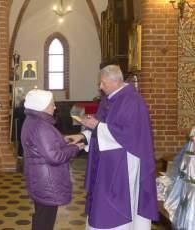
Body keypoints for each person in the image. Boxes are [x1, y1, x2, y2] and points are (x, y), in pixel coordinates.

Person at [67, 65, 159, 229]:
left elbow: (130, 134)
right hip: (106, 162)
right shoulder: (107, 99)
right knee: (101, 199)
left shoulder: (133, 101)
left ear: (116, 81)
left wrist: (97, 125)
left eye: (103, 83)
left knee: (119, 202)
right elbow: (101, 125)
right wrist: (83, 136)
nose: (100, 87)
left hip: (124, 161)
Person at [21, 89, 84, 230]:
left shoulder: (33, 120)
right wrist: (75, 148)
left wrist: (63, 140)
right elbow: (55, 156)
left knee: (42, 216)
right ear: (41, 106)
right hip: (47, 181)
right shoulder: (41, 126)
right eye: (52, 104)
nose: (55, 107)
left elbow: (43, 145)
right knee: (45, 221)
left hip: (40, 177)